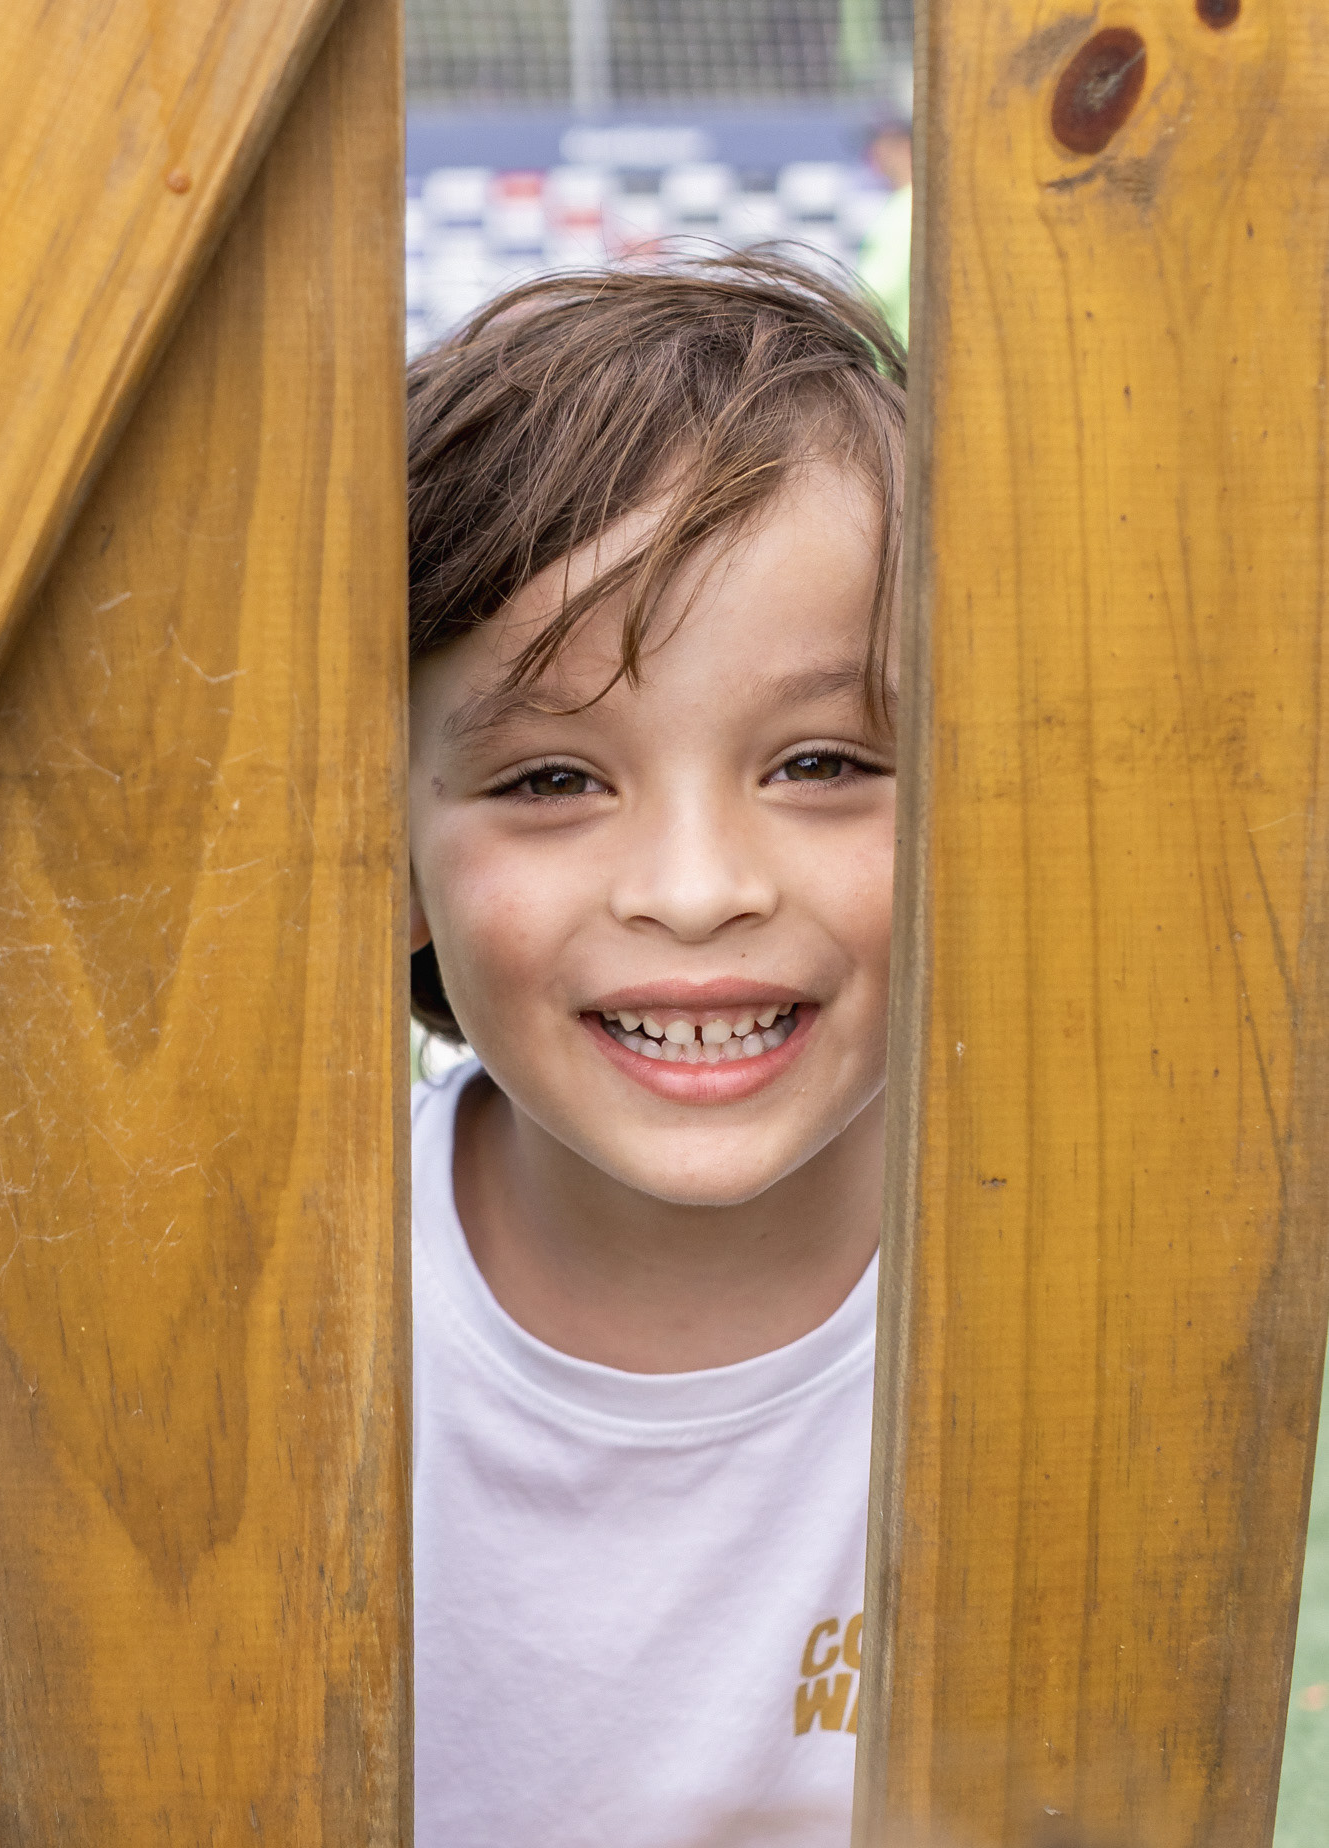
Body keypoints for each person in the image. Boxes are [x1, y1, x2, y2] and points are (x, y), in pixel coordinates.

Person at [405, 254, 905, 1847]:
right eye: (551, 780)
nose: (698, 893)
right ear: (380, 857)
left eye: (821, 760)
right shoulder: (260, 1276)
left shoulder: (1111, 1259)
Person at [857, 115, 913, 347]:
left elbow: (875, 294)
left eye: (883, 143)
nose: (874, 152)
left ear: (906, 145)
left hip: (896, 365)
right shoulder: (911, 203)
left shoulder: (905, 207)